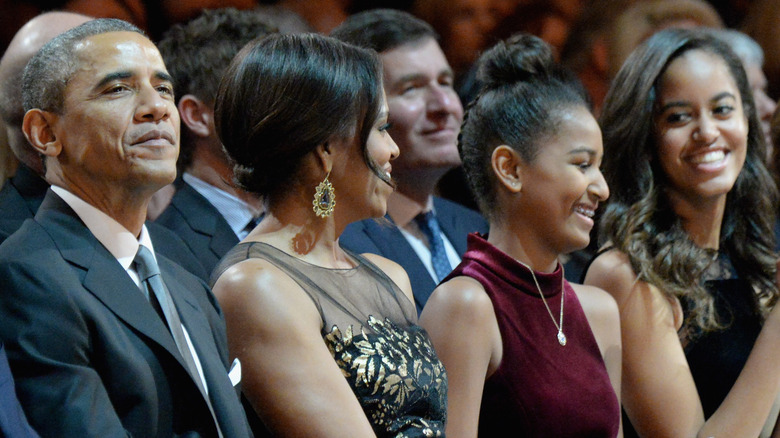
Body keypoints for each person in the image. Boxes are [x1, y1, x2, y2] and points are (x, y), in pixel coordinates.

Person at [0, 19, 250, 437]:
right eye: (118, 88)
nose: (158, 108)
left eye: (164, 88)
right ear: (45, 133)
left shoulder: (182, 275)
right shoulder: (24, 273)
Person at [210, 33, 447, 437]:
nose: (393, 150)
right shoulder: (255, 286)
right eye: (381, 128)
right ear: (325, 149)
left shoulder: (390, 275)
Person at [419, 33, 622, 437]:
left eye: (599, 167)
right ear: (510, 169)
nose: (601, 188)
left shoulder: (600, 310)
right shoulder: (465, 305)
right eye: (582, 165)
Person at [584, 28, 780, 437]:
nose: (707, 132)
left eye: (723, 110)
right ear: (646, 137)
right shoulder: (625, 274)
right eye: (679, 117)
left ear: (747, 119)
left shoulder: (752, 259)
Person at [332, 9, 488, 314]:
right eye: (411, 88)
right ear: (356, 113)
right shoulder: (341, 242)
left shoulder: (479, 227)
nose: (444, 105)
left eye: (445, 82)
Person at [155, 8, 273, 276]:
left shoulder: (315, 215)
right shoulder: (166, 246)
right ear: (197, 116)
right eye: (263, 94)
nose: (285, 112)